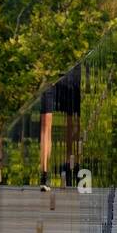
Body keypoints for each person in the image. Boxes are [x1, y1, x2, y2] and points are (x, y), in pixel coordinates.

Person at [39, 61, 82, 191]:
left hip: (71, 74)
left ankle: (70, 167)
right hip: (49, 73)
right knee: (45, 124)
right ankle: (44, 175)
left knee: (72, 124)